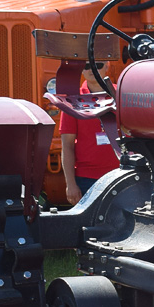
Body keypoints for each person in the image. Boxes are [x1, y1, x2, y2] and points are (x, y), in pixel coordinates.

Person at [59, 63, 119, 203]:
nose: (92, 69)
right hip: (87, 180)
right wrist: (71, 184)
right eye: (86, 66)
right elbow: (67, 145)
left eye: (97, 64)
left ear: (107, 66)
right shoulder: (72, 100)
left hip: (120, 174)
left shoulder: (121, 94)